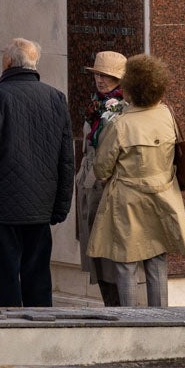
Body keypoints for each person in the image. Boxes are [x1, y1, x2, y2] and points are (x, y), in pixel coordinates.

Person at [0, 38, 74, 307]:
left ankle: (11, 335)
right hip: (41, 206)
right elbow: (66, 159)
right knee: (38, 277)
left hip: (2, 207)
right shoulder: (56, 98)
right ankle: (41, 335)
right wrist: (61, 206)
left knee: (7, 279)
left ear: (9, 62)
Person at [86, 54, 185, 306]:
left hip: (127, 202)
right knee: (157, 261)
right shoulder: (167, 114)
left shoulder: (121, 124)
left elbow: (101, 168)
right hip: (163, 197)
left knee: (126, 264)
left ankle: (132, 323)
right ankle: (161, 322)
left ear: (130, 87)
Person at [75, 50, 127, 306]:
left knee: (109, 252)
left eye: (108, 75)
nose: (101, 80)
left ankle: (118, 308)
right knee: (93, 251)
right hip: (88, 181)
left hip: (107, 183)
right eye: (98, 74)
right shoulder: (95, 104)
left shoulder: (123, 108)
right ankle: (109, 305)